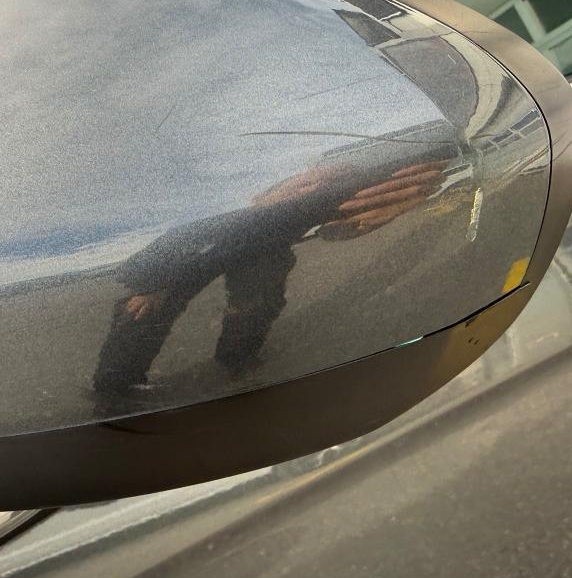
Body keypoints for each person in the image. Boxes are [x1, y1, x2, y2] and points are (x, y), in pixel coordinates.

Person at [92, 159, 447, 399]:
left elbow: (352, 211)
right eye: (306, 180)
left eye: (318, 181)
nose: (311, 184)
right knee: (143, 312)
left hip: (267, 245)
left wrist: (370, 213)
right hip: (210, 245)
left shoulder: (332, 189)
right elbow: (189, 237)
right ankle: (115, 389)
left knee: (257, 303)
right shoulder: (227, 214)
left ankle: (237, 361)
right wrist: (151, 284)